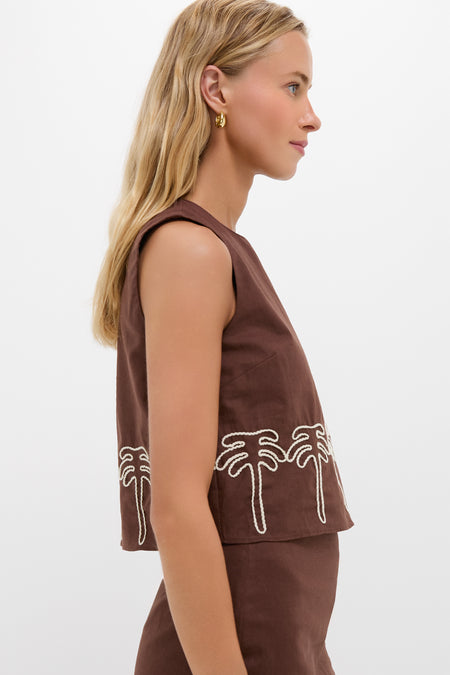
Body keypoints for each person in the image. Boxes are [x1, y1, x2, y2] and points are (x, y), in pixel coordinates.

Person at [92, 1, 354, 673]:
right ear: (215, 88)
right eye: (292, 86)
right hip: (237, 647)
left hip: (274, 637)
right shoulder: (190, 250)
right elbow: (178, 505)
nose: (311, 116)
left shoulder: (220, 250)